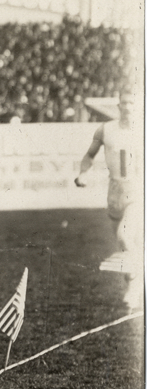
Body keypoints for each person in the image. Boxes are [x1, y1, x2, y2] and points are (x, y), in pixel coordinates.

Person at [75, 89, 143, 305]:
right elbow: (89, 155)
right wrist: (83, 173)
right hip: (114, 191)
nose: (128, 107)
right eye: (124, 103)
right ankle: (133, 281)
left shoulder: (143, 128)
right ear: (118, 106)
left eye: (132, 103)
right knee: (123, 246)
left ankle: (135, 283)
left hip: (137, 190)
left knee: (125, 235)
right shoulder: (106, 129)